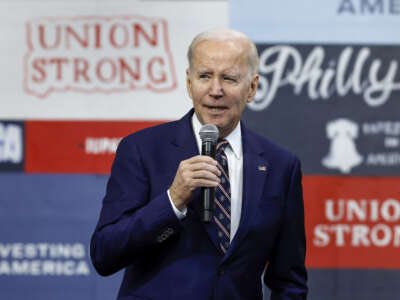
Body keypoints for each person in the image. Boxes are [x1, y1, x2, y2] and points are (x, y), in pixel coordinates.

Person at [90, 28, 308, 300]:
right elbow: (104, 254)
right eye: (205, 76)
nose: (215, 91)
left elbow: (289, 280)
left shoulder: (280, 166)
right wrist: (172, 201)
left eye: (229, 78)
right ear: (189, 82)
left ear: (252, 88)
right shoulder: (142, 150)